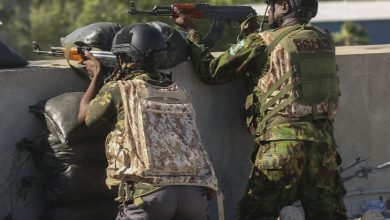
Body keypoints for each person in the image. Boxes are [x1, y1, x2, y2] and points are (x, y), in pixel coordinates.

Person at [173, 0, 347, 219]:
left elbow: (211, 71)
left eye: (273, 6)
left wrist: (191, 31)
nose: (269, 11)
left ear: (284, 6)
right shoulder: (325, 41)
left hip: (281, 148)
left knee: (256, 214)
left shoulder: (261, 42)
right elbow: (285, 63)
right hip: (324, 149)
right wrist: (251, 34)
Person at [78, 23, 219, 220]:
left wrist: (97, 76)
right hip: (195, 192)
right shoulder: (180, 91)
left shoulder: (121, 89)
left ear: (126, 57)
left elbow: (85, 117)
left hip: (151, 194)